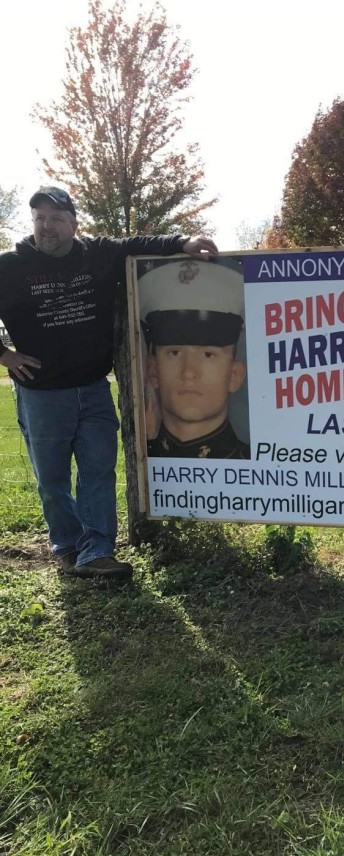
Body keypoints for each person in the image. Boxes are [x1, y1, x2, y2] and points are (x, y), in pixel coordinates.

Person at [0, 185, 218, 580]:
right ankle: (67, 544)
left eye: (56, 219)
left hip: (95, 388)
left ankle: (97, 551)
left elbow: (138, 242)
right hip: (42, 395)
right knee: (52, 481)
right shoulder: (10, 266)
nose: (46, 227)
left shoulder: (97, 253)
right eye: (39, 218)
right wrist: (4, 355)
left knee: (98, 470)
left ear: (73, 224)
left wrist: (184, 241)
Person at [140, 258, 250, 459]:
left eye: (208, 354)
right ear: (153, 370)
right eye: (174, 353)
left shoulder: (261, 470)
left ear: (235, 375)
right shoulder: (141, 461)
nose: (189, 372)